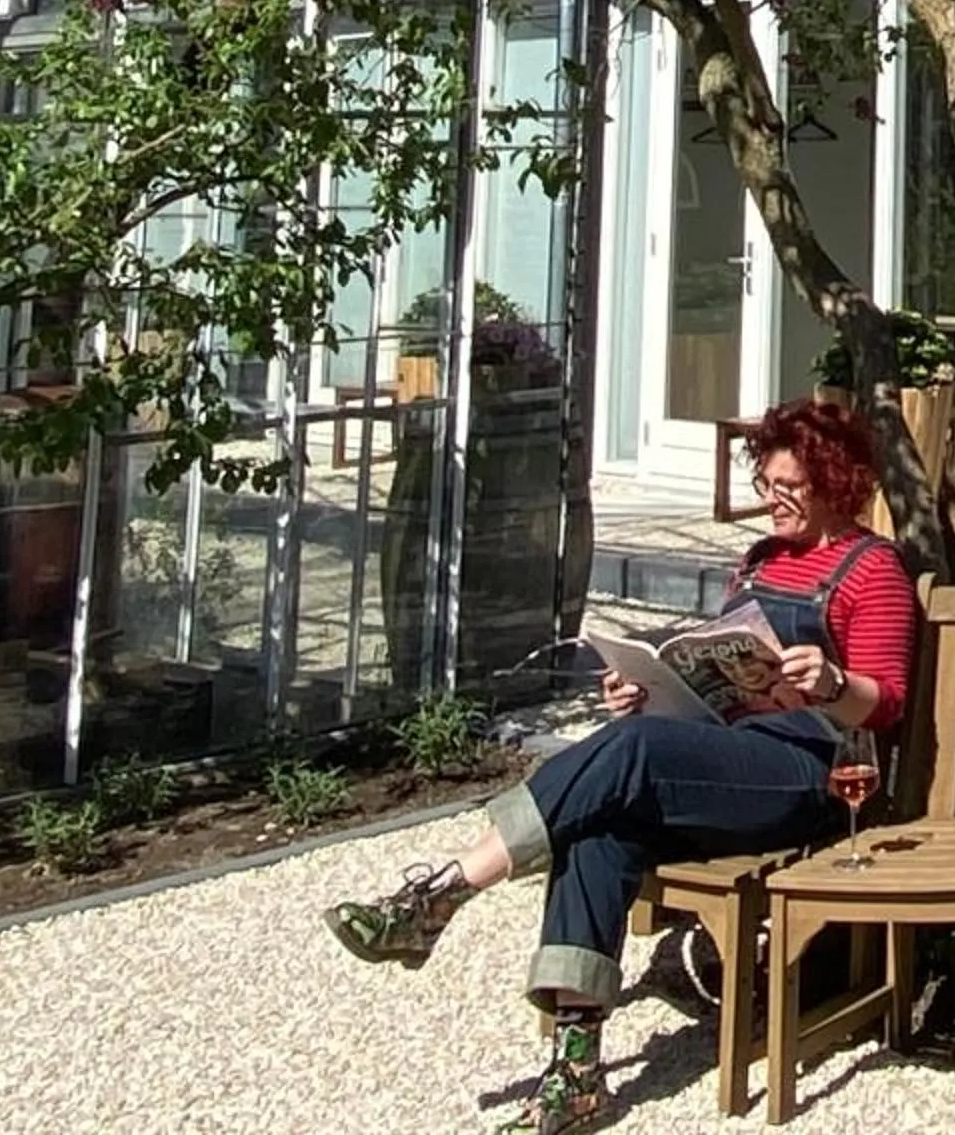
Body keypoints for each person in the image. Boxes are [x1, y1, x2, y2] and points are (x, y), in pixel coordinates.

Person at [324, 397, 919, 1131]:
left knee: (630, 760)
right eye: (765, 483)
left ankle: (445, 890)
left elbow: (884, 703)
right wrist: (649, 689)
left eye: (786, 486)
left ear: (834, 480)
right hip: (726, 760)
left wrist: (830, 683)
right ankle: (576, 1076)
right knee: (602, 826)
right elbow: (714, 682)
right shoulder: (759, 562)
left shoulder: (873, 568)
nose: (771, 500)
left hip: (811, 774)